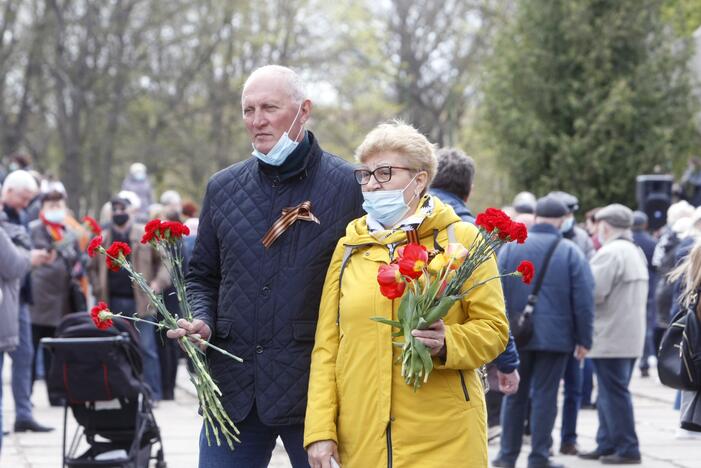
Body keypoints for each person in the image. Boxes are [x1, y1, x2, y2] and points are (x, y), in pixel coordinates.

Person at [167, 65, 364, 467]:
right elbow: (202, 276)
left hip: (313, 390)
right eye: (248, 110)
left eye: (269, 108)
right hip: (234, 387)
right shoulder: (223, 188)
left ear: (303, 110)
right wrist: (201, 319)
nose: (256, 121)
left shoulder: (349, 186)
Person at [304, 121, 509, 467]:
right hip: (363, 435)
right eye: (365, 174)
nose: (371, 184)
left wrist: (448, 343)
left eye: (384, 173)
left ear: (420, 179)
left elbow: (494, 329)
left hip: (445, 437)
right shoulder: (349, 248)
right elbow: (328, 347)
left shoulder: (462, 240)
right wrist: (320, 431)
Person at [493, 195, 594, 468]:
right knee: (546, 396)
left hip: (516, 333)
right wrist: (585, 339)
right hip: (556, 338)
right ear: (562, 220)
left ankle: (506, 455)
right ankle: (539, 456)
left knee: (513, 393)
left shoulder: (511, 249)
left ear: (536, 217)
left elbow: (496, 293)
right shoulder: (570, 251)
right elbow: (584, 300)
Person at [429, 147, 521, 439]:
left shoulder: (407, 225)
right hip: (457, 362)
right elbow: (493, 305)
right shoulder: (471, 233)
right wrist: (508, 363)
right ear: (469, 190)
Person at [579, 204, 647, 464]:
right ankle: (606, 443)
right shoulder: (633, 251)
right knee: (610, 393)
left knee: (613, 394)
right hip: (628, 337)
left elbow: (592, 292)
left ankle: (627, 447)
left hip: (610, 335)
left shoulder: (610, 253)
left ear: (605, 227)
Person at [88, 196, 166, 400]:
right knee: (116, 348)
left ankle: (152, 393)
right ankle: (122, 392)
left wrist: (157, 284)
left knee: (147, 348)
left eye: (123, 208)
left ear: (131, 211)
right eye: (115, 209)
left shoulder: (144, 235)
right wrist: (97, 287)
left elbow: (165, 263)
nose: (118, 213)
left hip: (142, 302)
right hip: (112, 303)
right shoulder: (103, 238)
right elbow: (92, 268)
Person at [1, 170, 54, 433]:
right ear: (9, 190)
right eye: (24, 197)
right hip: (4, 298)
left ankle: (24, 413)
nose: (26, 204)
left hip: (21, 296)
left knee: (25, 356)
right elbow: (10, 260)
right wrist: (27, 258)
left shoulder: (21, 215)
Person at [548, 190, 594, 456]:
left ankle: (569, 438)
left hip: (570, 326)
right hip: (555, 327)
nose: (568, 218)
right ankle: (545, 439)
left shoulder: (580, 240)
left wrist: (584, 336)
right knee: (546, 390)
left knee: (574, 389)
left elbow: (586, 287)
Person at [28, 191, 82, 404]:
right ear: (42, 208)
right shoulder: (35, 229)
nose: (56, 209)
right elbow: (43, 256)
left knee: (57, 351)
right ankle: (27, 395)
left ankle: (57, 393)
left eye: (59, 204)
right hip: (39, 299)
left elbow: (76, 258)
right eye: (51, 205)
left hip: (62, 300)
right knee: (31, 350)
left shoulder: (68, 231)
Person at [631, 211, 658, 378]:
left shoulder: (628, 241)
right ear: (645, 224)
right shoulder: (652, 242)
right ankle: (644, 361)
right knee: (647, 326)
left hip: (632, 289)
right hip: (649, 287)